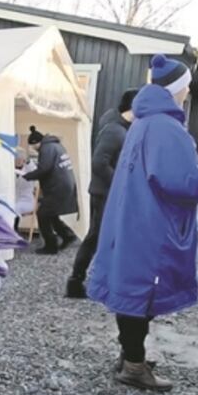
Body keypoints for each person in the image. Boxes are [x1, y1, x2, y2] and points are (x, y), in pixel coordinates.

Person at [88, 55, 198, 391]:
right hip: (152, 227)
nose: (188, 91)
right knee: (141, 293)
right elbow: (182, 182)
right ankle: (133, 365)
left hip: (133, 221)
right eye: (186, 86)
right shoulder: (166, 127)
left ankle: (129, 356)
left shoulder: (143, 123)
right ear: (176, 90)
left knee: (132, 288)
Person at [66, 88, 139, 298]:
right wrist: (120, 184)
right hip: (104, 194)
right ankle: (75, 282)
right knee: (96, 237)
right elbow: (99, 163)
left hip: (109, 193)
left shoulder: (123, 128)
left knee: (106, 238)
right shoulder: (114, 130)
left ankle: (99, 280)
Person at [21, 126, 78, 254]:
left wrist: (27, 176)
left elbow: (44, 168)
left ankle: (51, 246)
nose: (33, 149)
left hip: (57, 187)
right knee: (51, 214)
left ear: (37, 142)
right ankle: (68, 236)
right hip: (64, 185)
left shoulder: (46, 148)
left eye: (32, 145)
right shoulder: (56, 145)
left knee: (43, 214)